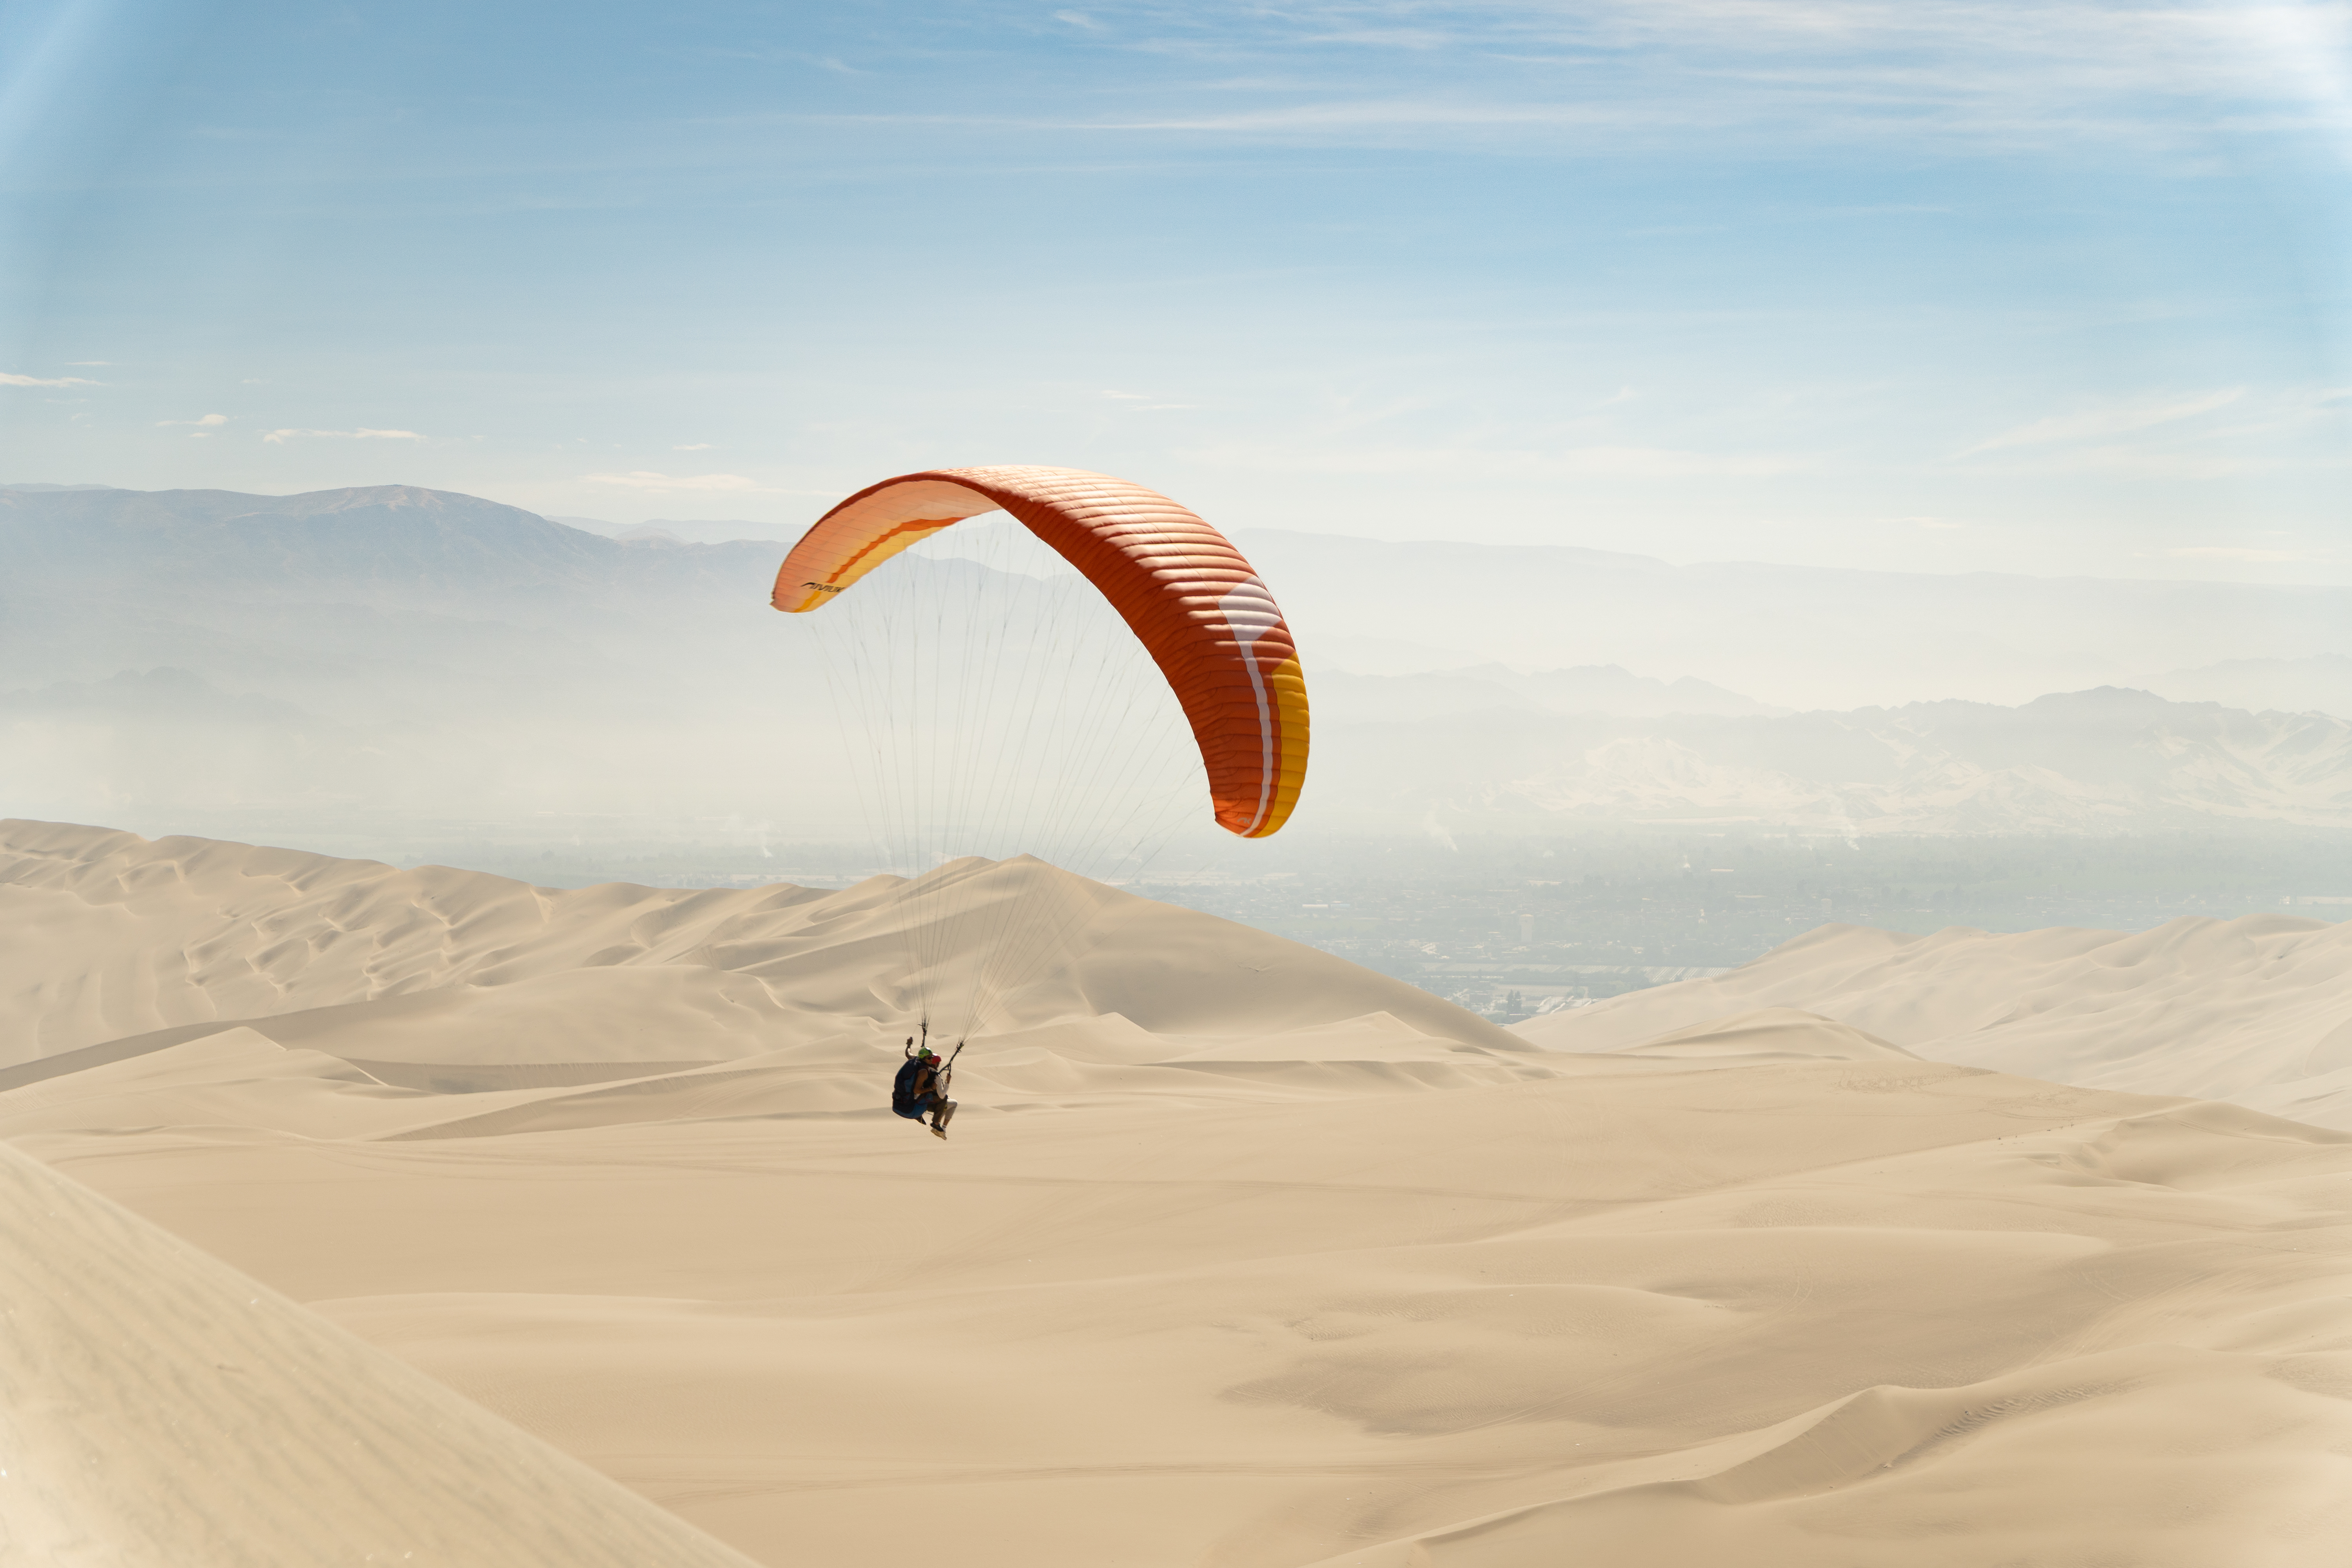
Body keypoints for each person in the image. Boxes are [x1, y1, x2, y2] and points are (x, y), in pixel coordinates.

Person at [891, 1039, 957, 1139]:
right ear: (924, 1058)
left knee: (943, 1100)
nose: (932, 1060)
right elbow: (917, 1091)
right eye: (930, 1058)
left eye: (932, 1058)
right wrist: (936, 1086)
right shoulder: (926, 1073)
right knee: (944, 1099)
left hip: (902, 1102)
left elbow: (908, 1053)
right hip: (912, 1109)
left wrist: (909, 1044)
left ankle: (935, 1122)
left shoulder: (915, 1060)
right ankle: (937, 1124)